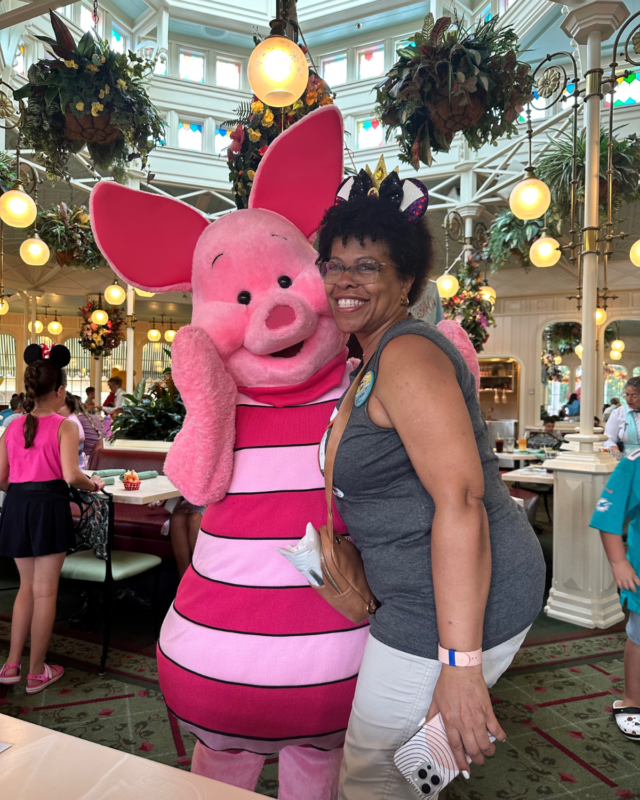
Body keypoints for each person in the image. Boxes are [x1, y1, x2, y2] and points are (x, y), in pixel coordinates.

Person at [315, 170, 546, 799]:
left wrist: (460, 664)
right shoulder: (371, 358)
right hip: (426, 595)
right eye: (333, 265)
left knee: (369, 778)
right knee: (408, 770)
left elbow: (461, 501)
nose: (345, 280)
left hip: (446, 607)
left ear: (406, 280)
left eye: (367, 266)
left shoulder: (409, 353)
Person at [0, 344, 104, 694]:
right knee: (46, 594)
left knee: (24, 589)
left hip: (16, 506)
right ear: (59, 390)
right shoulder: (64, 425)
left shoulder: (12, 425)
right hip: (49, 507)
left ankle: (11, 665)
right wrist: (95, 484)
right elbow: (73, 476)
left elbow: (1, 477)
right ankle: (36, 672)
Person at [590, 450, 640, 740]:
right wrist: (618, 561)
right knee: (639, 637)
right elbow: (608, 513)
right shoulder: (634, 462)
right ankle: (633, 699)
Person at [604, 378, 640, 455]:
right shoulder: (618, 413)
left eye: (634, 396)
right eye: (627, 395)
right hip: (626, 460)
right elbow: (608, 438)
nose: (628, 399)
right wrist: (614, 449)